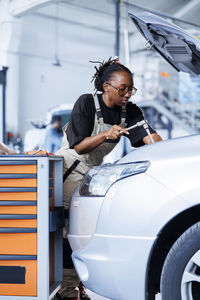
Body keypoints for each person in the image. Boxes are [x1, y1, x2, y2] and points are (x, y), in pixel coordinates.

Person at [55, 57, 162, 300]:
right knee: (64, 235)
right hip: (67, 173)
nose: (127, 94)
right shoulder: (86, 103)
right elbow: (79, 147)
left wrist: (155, 140)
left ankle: (78, 284)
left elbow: (150, 140)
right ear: (106, 87)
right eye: (122, 88)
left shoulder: (130, 111)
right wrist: (106, 134)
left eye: (130, 89)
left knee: (83, 233)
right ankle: (68, 290)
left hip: (92, 175)